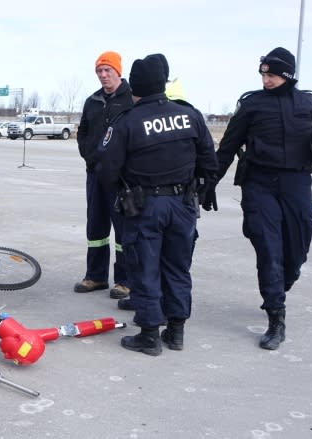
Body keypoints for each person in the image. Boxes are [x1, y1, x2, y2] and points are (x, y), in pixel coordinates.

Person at [209, 47, 312, 350]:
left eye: (272, 74)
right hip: (259, 183)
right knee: (268, 248)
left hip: (296, 183)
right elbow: (227, 148)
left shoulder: (308, 103)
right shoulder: (252, 105)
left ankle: (285, 280)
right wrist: (207, 183)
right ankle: (276, 318)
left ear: (286, 75)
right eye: (263, 74)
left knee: (299, 243)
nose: (266, 79)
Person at [101, 55, 218, 356]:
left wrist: (120, 197)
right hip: (183, 204)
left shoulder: (127, 121)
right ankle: (176, 332)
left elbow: (107, 169)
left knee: (145, 268)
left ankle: (150, 335)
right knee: (178, 268)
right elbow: (209, 160)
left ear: (136, 87)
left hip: (145, 206)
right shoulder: (189, 115)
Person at [73, 51, 133, 299]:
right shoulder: (93, 101)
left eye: (107, 70)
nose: (103, 75)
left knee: (124, 229)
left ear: (118, 71)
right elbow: (83, 134)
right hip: (95, 174)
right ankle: (96, 276)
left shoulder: (132, 99)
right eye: (99, 71)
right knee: (96, 226)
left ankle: (124, 280)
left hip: (121, 178)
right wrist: (91, 157)